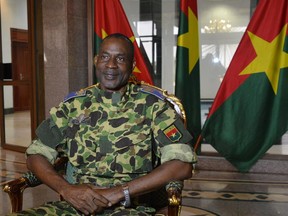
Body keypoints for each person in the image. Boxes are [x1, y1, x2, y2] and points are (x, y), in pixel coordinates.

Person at [10, 33, 196, 216]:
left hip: (131, 208)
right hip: (75, 206)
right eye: (105, 57)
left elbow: (181, 165)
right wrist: (66, 189)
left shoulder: (154, 107)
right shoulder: (73, 106)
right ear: (96, 60)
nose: (111, 65)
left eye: (120, 58)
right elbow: (36, 155)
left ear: (132, 66)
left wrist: (119, 192)